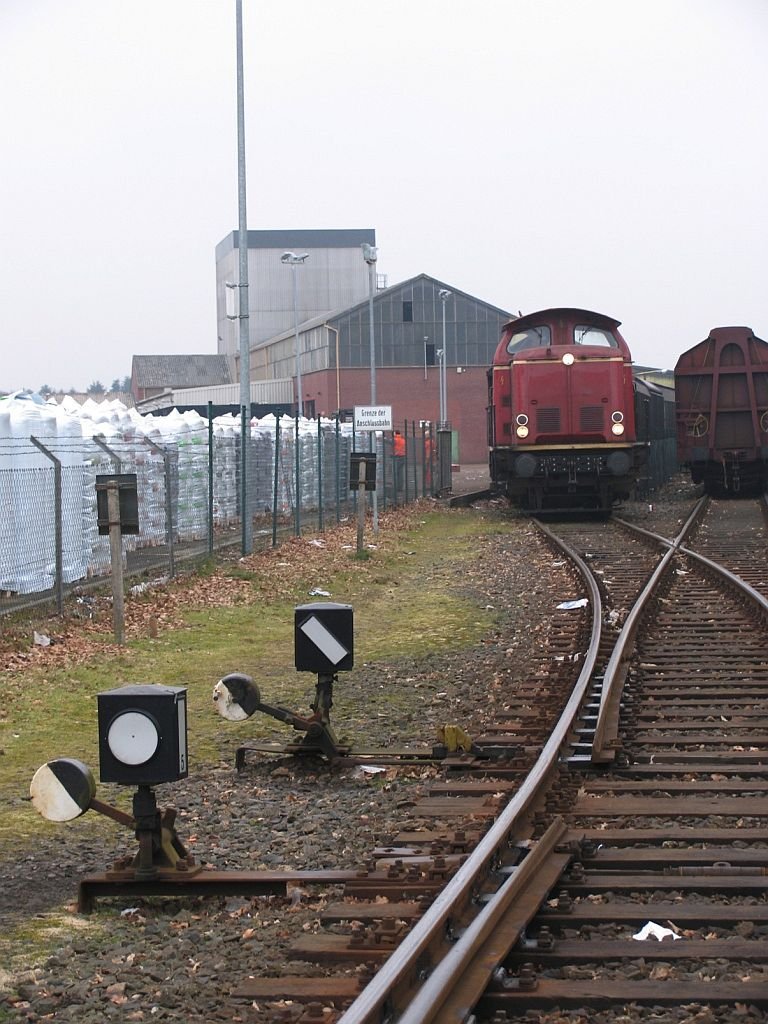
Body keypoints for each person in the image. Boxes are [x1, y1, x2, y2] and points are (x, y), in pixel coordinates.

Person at [393, 429, 406, 495]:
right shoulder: (403, 440)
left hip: (397, 457)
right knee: (401, 473)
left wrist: (383, 439)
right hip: (403, 457)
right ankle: (400, 487)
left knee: (395, 473)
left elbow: (390, 442)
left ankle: (396, 487)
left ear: (395, 433)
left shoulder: (395, 439)